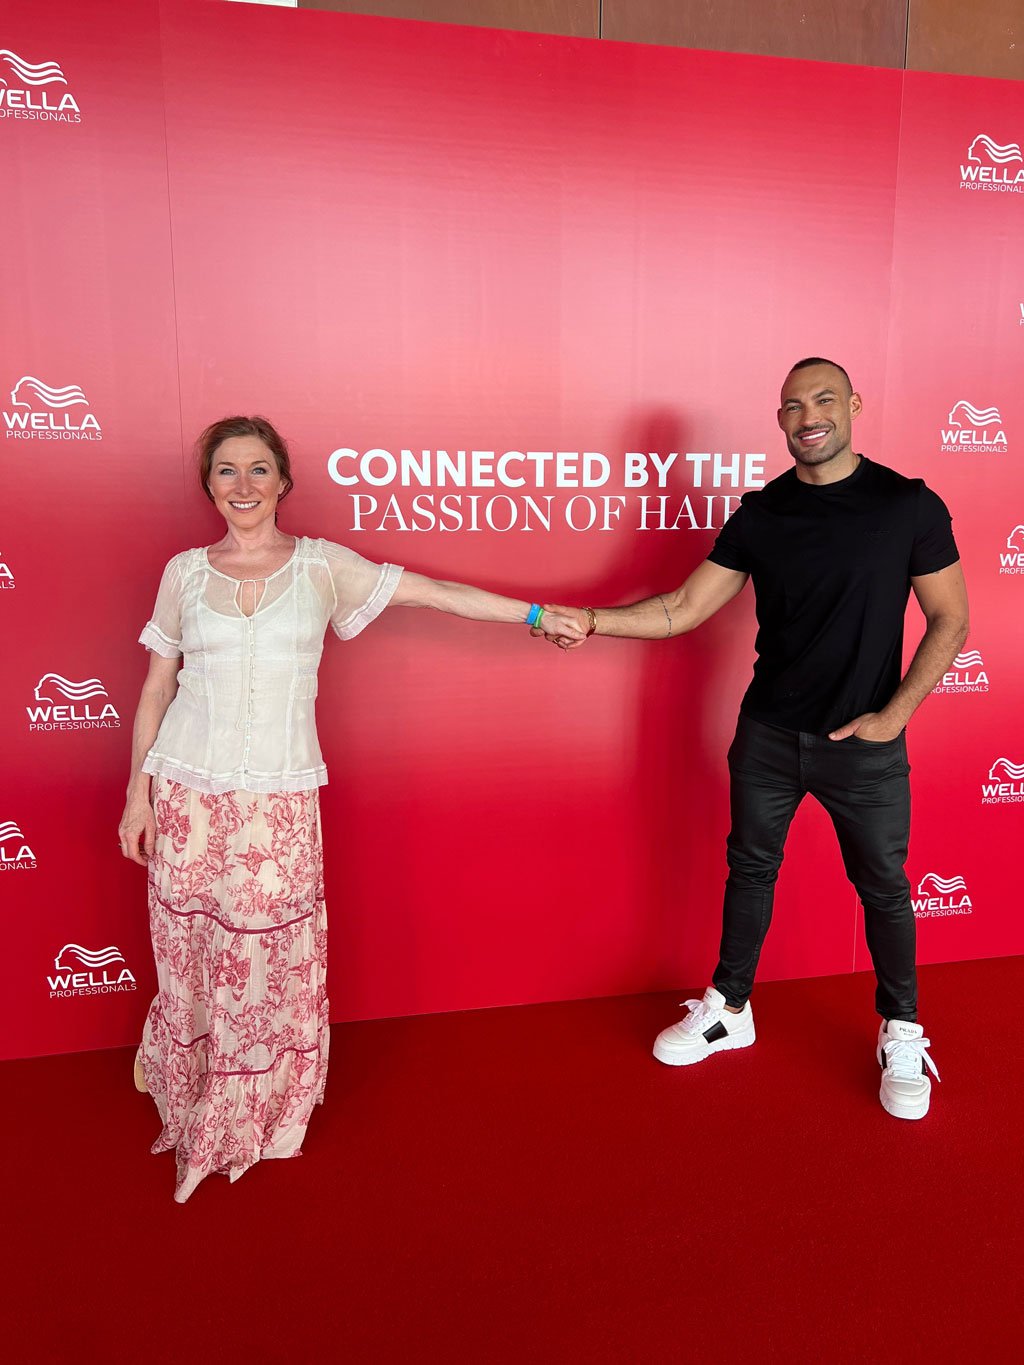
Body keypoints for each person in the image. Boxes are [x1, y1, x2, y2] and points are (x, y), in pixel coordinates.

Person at [119, 415, 582, 1201]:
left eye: (258, 468)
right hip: (186, 789)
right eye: (226, 470)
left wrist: (535, 616)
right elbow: (158, 685)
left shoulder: (321, 567)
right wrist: (139, 792)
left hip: (278, 800)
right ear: (208, 486)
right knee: (191, 945)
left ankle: (251, 1108)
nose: (243, 484)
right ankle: (182, 1071)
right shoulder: (185, 573)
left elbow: (435, 592)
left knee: (265, 956)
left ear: (283, 481)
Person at [535, 358, 969, 1120]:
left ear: (853, 405)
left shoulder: (908, 505)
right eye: (793, 405)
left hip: (864, 742)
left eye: (824, 399)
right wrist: (594, 620)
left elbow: (951, 617)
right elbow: (682, 607)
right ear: (780, 421)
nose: (809, 415)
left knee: (884, 885)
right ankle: (730, 1008)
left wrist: (894, 716)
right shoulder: (762, 514)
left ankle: (901, 1028)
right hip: (767, 736)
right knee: (750, 868)